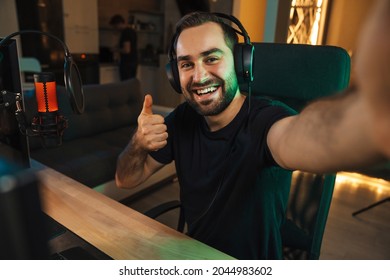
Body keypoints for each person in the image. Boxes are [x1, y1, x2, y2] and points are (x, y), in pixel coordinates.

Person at [115, 0, 390, 259]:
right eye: (186, 64)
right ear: (175, 75)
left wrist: (371, 113)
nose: (198, 77)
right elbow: (125, 180)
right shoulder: (181, 119)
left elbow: (310, 136)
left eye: (211, 58)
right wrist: (138, 142)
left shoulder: (267, 122)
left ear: (240, 63)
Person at [109, 14, 138, 80]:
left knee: (125, 84)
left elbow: (126, 50)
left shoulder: (125, 33)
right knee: (131, 84)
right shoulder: (132, 31)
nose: (115, 29)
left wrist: (115, 49)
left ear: (118, 24)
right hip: (134, 62)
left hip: (127, 64)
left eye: (115, 27)